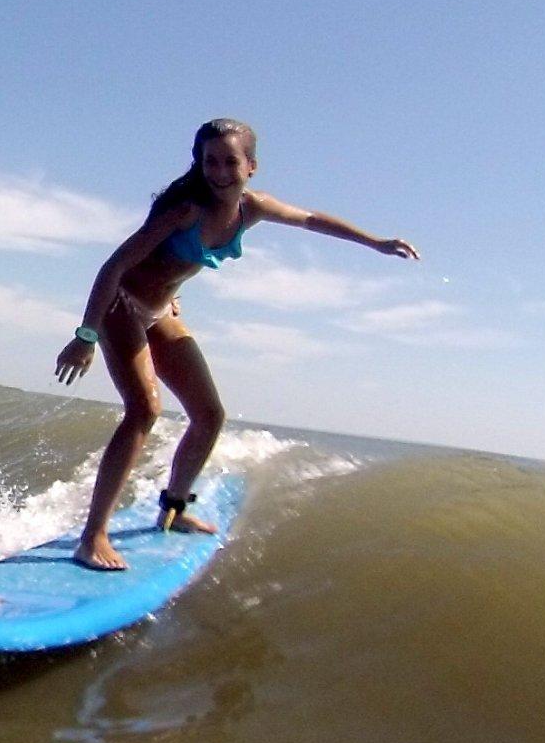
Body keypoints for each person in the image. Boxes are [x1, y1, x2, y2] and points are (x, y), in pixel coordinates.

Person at [54, 118, 418, 571]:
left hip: (161, 311)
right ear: (199, 164)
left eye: (230, 161)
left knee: (209, 414)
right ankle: (93, 537)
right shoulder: (185, 209)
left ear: (251, 166)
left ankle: (174, 509)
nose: (220, 171)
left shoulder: (253, 208)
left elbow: (311, 219)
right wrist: (86, 335)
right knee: (144, 409)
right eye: (210, 161)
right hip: (121, 306)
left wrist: (375, 242)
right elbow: (114, 265)